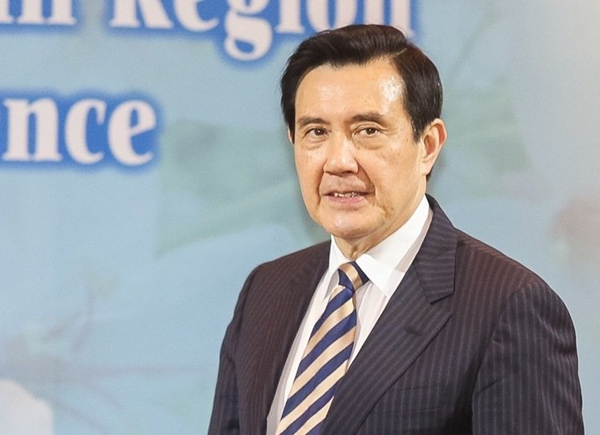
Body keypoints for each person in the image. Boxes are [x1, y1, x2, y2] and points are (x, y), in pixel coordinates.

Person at [208, 24, 583, 435]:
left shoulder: (508, 306)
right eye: (316, 132)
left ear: (428, 145)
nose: (338, 161)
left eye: (368, 131)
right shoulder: (266, 290)